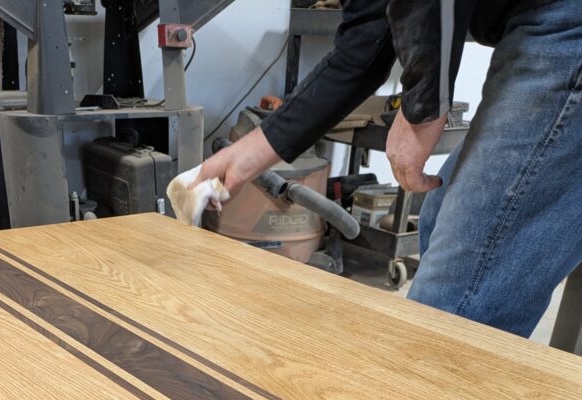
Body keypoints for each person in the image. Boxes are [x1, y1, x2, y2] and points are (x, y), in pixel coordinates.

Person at [193, 1, 582, 339]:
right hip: (538, 23)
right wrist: (248, 154)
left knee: (456, 295)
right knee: (440, 218)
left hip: (564, 21)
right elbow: (365, 44)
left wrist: (422, 107)